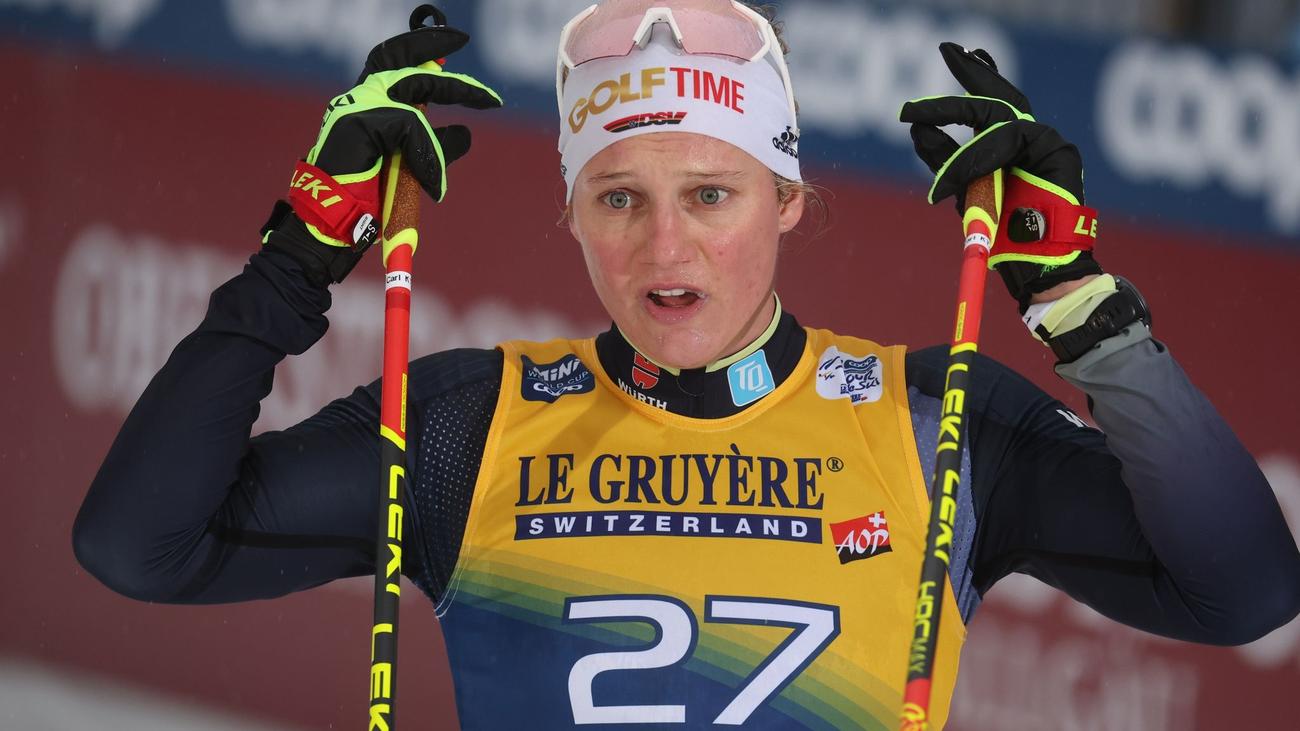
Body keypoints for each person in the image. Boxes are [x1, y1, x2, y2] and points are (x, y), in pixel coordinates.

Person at [72, 1, 1300, 729]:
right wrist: (297, 257)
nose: (665, 248)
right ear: (570, 213)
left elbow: (1244, 589)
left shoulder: (936, 422)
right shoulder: (467, 425)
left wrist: (1085, 310)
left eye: (711, 194)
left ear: (789, 200)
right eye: (618, 197)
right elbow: (139, 545)